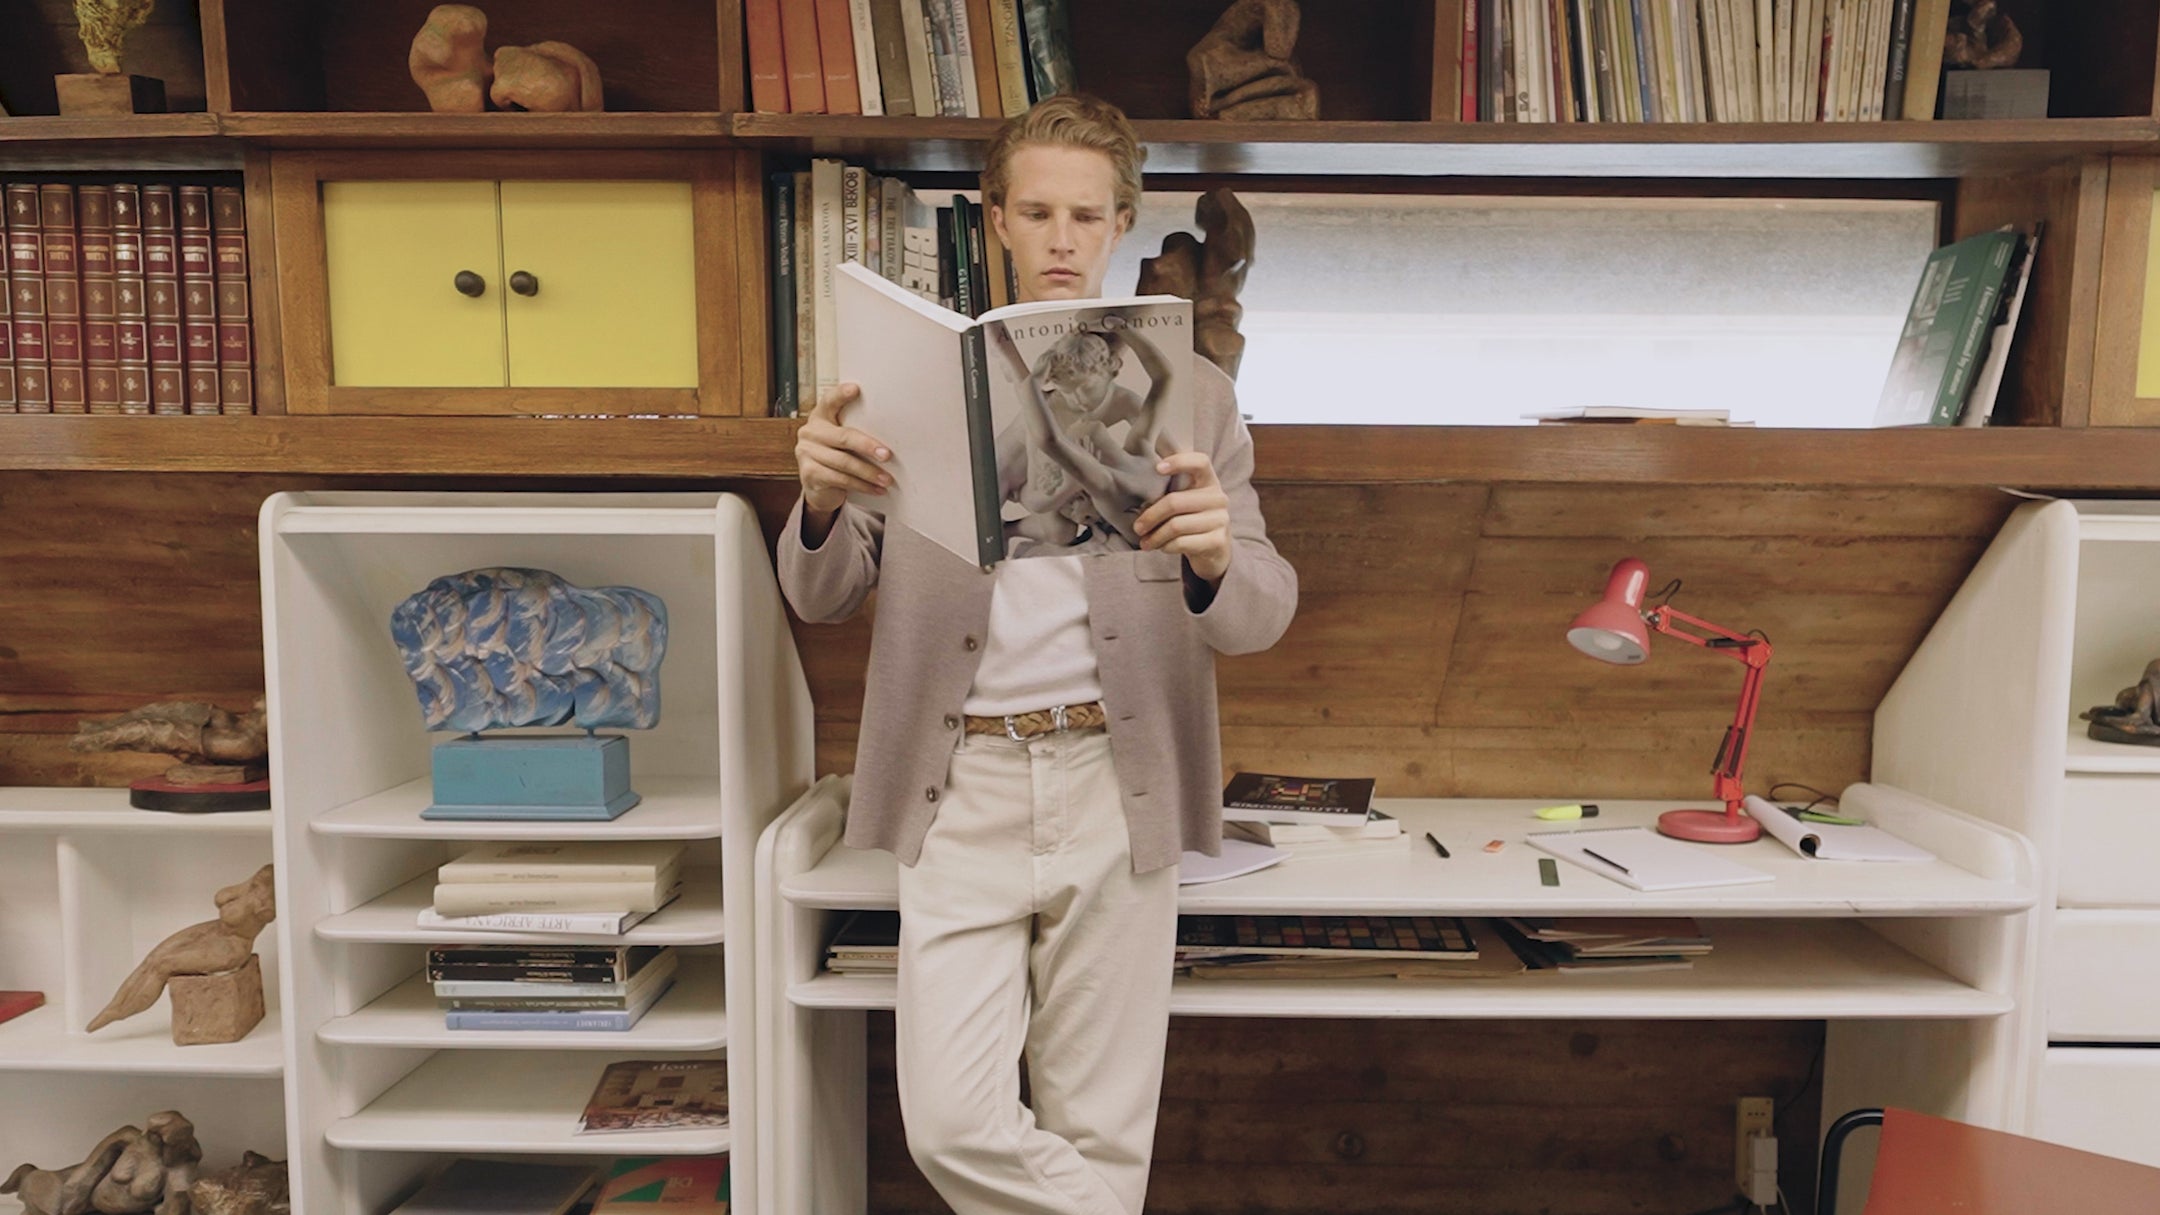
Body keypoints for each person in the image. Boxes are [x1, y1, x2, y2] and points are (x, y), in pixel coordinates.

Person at [779, 92, 1298, 1215]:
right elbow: (822, 598)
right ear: (996, 221)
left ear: (1121, 221)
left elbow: (1260, 615)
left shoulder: (1196, 398)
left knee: (1101, 1132)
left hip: (1121, 783)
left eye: (1086, 215)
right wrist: (817, 502)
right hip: (957, 786)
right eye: (1037, 213)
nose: (1063, 238)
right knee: (954, 1121)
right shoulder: (905, 380)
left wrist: (1211, 556)